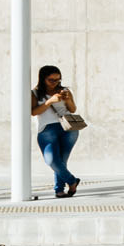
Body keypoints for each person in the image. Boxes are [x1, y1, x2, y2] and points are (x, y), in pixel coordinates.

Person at [30, 64, 82, 198]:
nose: (55, 83)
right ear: (43, 79)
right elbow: (33, 112)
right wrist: (49, 101)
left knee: (62, 161)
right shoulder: (34, 93)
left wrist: (68, 99)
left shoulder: (64, 90)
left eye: (58, 80)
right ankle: (72, 181)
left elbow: (72, 109)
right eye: (51, 80)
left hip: (68, 128)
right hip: (47, 129)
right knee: (51, 160)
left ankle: (59, 190)